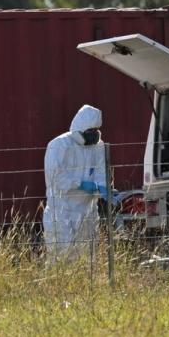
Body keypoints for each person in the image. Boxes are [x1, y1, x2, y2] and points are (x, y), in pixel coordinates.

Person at [43, 105, 108, 262]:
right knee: (61, 257)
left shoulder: (98, 146)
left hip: (87, 211)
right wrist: (80, 184)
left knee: (87, 258)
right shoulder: (59, 145)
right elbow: (54, 177)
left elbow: (100, 171)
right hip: (61, 210)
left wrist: (103, 188)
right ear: (80, 129)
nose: (93, 135)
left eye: (96, 131)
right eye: (90, 131)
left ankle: (86, 287)